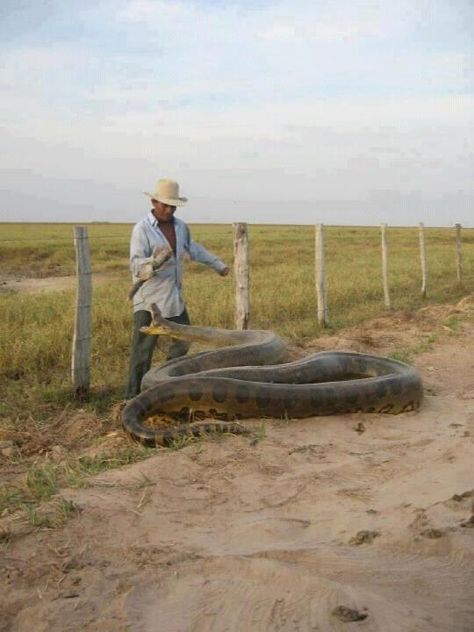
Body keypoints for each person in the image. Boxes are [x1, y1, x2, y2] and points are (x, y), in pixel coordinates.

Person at [125, 178, 229, 399]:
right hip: (149, 301)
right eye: (165, 205)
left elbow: (193, 249)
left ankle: (163, 381)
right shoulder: (142, 230)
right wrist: (153, 262)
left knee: (184, 340)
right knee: (142, 352)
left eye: (173, 206)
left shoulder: (180, 227)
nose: (169, 209)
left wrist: (218, 264)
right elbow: (135, 264)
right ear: (153, 202)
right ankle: (132, 398)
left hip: (173, 297)